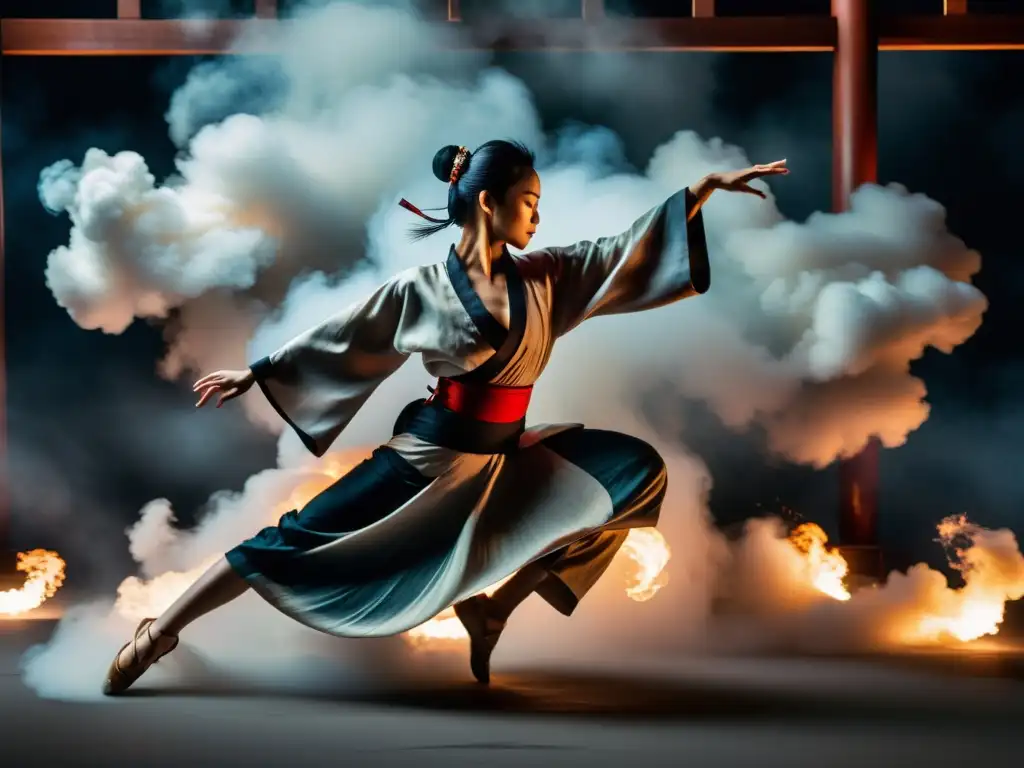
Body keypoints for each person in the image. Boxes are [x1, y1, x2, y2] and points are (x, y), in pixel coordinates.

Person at [103, 139, 787, 695]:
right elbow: (346, 333)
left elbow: (621, 251)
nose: (537, 218)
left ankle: (493, 608)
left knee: (635, 472)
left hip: (506, 459)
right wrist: (258, 371)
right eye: (528, 203)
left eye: (539, 205)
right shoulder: (422, 291)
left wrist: (698, 193)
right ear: (488, 203)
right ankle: (158, 632)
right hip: (427, 462)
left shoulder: (545, 277)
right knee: (287, 544)